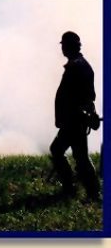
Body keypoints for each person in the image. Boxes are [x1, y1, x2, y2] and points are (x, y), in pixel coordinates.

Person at [49, 31, 100, 201]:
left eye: (64, 45)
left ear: (69, 47)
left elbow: (85, 97)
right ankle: (88, 192)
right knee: (79, 156)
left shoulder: (77, 67)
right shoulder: (79, 65)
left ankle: (73, 189)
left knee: (60, 151)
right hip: (73, 120)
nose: (62, 48)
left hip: (73, 121)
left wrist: (79, 114)